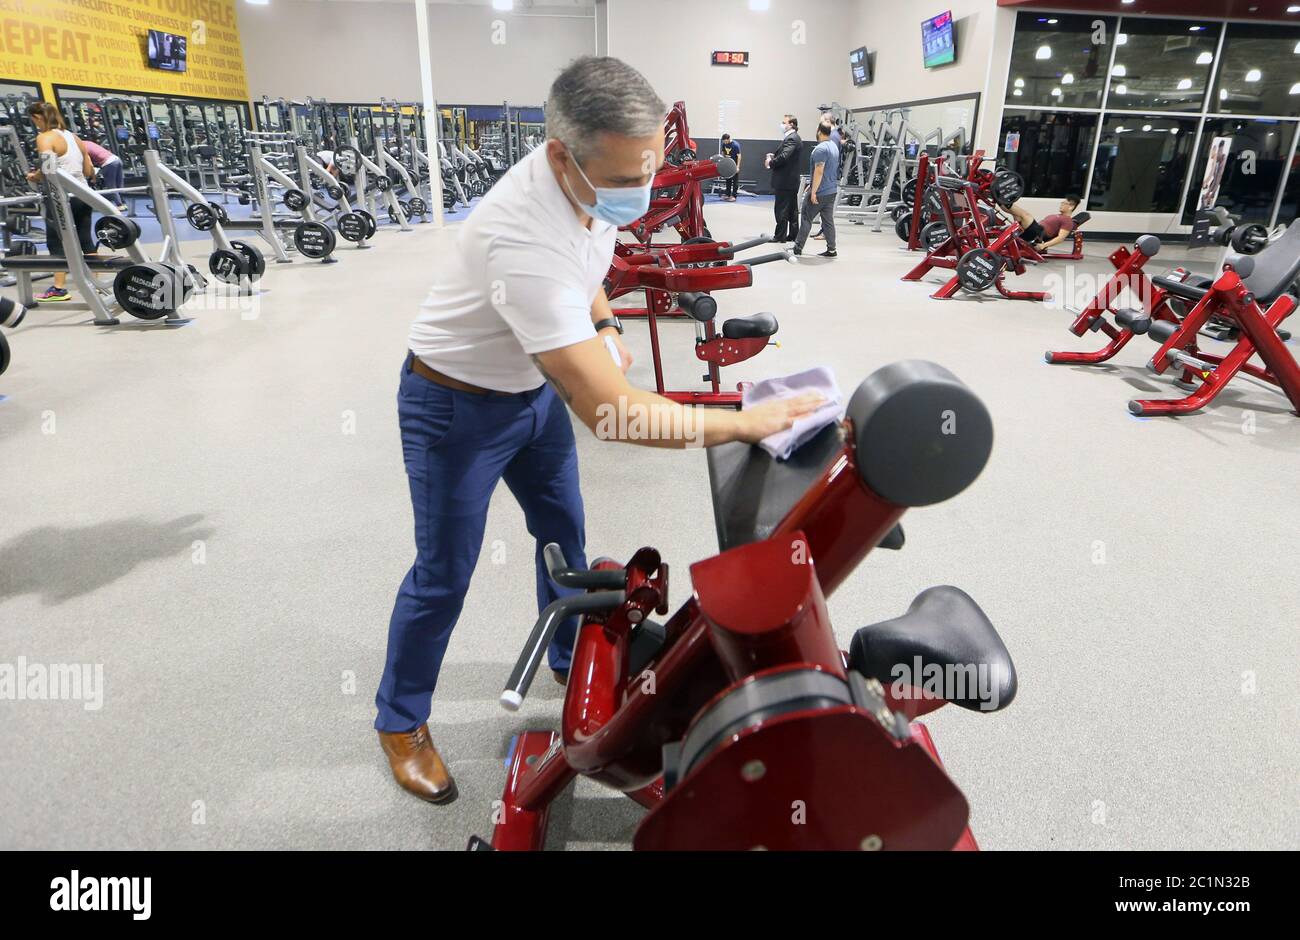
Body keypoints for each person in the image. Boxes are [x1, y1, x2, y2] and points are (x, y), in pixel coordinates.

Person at [375, 57, 822, 805]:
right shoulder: (520, 239)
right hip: (456, 407)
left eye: (648, 171)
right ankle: (400, 720)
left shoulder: (590, 184)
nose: (639, 192)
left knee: (563, 532)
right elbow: (612, 414)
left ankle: (564, 651)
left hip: (532, 395)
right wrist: (742, 423)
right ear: (561, 156)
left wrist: (608, 320)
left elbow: (593, 276)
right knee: (444, 572)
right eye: (624, 179)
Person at [25, 102, 97, 303]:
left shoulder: (45, 137)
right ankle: (96, 284)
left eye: (33, 120)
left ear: (38, 117)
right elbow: (88, 169)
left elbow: (48, 169)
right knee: (85, 239)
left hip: (61, 197)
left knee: (57, 242)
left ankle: (58, 289)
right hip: (83, 194)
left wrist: (34, 176)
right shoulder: (73, 137)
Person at [794, 123, 840, 258]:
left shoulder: (820, 149)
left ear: (819, 131)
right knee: (828, 221)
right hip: (831, 190)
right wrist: (811, 184)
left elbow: (819, 171)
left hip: (820, 192)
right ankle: (832, 250)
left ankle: (798, 247)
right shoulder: (834, 147)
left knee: (806, 218)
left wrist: (813, 192)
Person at [767, 115, 802, 242]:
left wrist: (771, 162)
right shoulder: (792, 138)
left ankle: (780, 235)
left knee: (781, 209)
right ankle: (793, 234)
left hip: (785, 181)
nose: (782, 125)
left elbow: (784, 157)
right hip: (790, 181)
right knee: (792, 209)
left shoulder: (792, 139)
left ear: (791, 124)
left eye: (784, 122)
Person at [1007, 195, 1080, 251]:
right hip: (1033, 230)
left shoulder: (1068, 221)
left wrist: (1043, 245)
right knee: (1016, 214)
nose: (1061, 205)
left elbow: (1061, 238)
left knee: (1025, 215)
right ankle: (1002, 202)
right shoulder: (1058, 215)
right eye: (1062, 203)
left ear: (1071, 207)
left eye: (1064, 203)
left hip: (1037, 234)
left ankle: (1005, 201)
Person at [82, 138, 126, 212]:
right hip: (116, 159)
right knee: (119, 184)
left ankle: (119, 205)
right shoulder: (88, 142)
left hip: (108, 163)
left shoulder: (82, 147)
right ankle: (124, 204)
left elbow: (90, 164)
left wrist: (93, 177)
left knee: (111, 185)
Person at [720, 133, 742, 202]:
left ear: (729, 139)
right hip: (728, 165)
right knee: (728, 180)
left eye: (725, 141)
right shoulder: (724, 144)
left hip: (734, 165)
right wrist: (724, 159)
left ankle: (734, 196)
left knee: (735, 181)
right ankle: (727, 194)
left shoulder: (735, 145)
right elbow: (723, 152)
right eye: (724, 141)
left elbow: (739, 156)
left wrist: (738, 167)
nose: (725, 143)